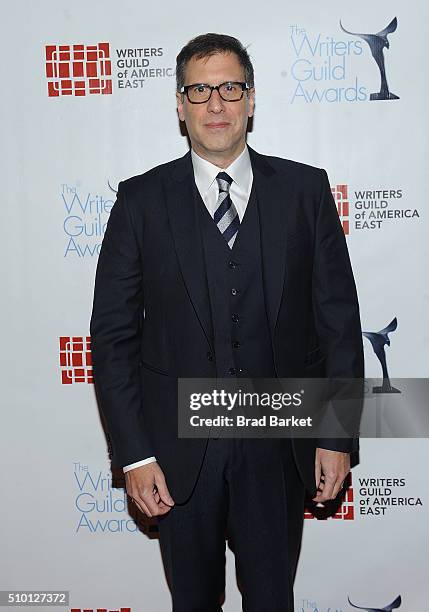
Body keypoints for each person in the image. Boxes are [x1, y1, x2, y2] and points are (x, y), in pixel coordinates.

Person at [90, 32, 364, 612]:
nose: (216, 104)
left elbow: (339, 325)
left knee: (272, 601)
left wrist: (337, 435)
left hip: (278, 444)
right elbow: (113, 343)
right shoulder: (139, 202)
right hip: (178, 455)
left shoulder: (305, 192)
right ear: (180, 104)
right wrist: (135, 456)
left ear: (252, 99)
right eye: (200, 90)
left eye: (230, 88)